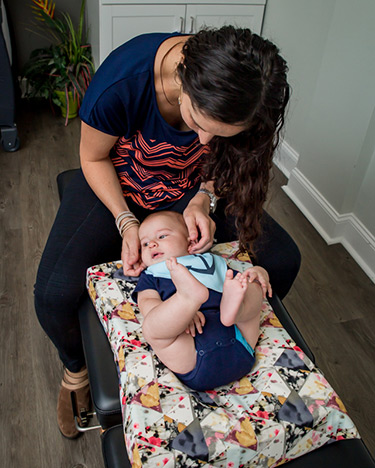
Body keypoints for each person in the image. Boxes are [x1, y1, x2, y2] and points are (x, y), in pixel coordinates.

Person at [34, 26, 300, 437]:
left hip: (189, 191)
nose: (205, 140)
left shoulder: (242, 94)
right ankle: (78, 372)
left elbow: (222, 166)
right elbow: (91, 157)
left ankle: (226, 327)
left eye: (221, 135)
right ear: (183, 79)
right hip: (122, 185)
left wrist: (203, 197)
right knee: (52, 294)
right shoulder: (123, 82)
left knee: (282, 258)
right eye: (196, 122)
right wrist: (126, 222)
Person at [133, 211, 272, 390]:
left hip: (238, 336)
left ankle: (234, 311)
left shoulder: (211, 261)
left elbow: (237, 284)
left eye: (162, 235)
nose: (152, 244)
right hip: (190, 350)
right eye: (144, 244)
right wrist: (178, 316)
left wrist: (258, 273)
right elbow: (147, 303)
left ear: (190, 240)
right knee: (152, 327)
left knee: (251, 286)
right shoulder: (152, 274)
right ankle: (186, 301)